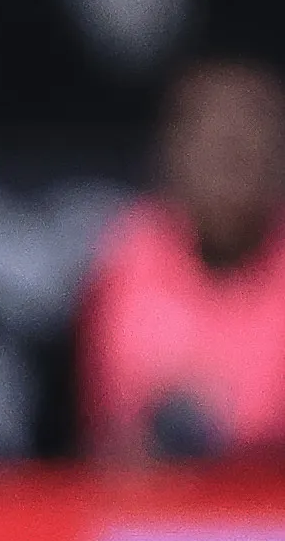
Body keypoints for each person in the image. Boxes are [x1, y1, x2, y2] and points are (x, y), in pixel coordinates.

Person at [84, 58, 285, 467]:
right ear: (174, 153)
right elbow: (130, 419)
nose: (233, 164)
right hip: (163, 514)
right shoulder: (132, 253)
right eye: (215, 144)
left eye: (251, 140)